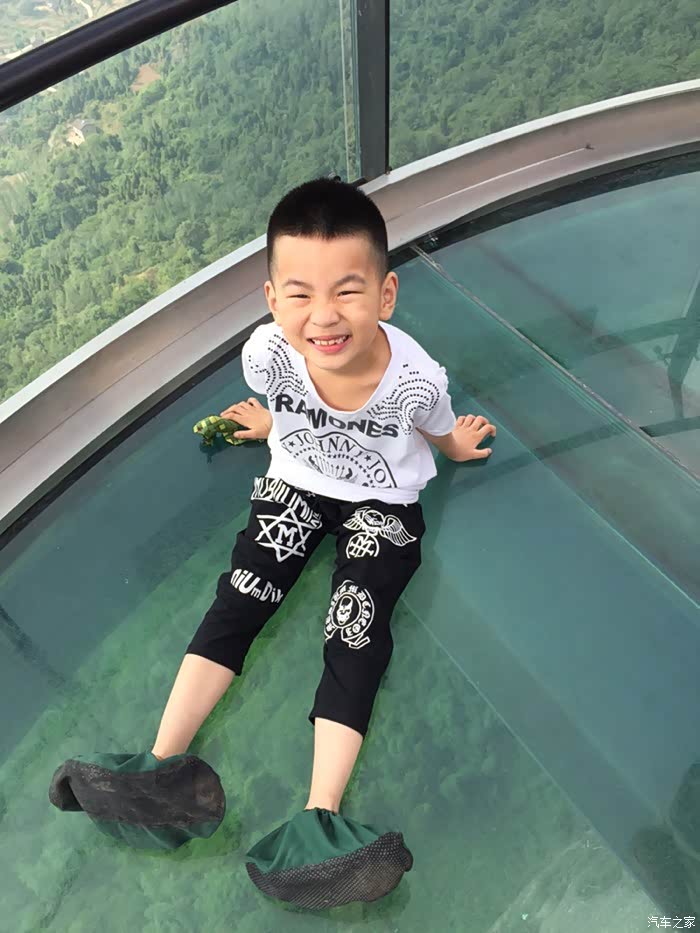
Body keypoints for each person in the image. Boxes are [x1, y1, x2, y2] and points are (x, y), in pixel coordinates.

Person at [49, 176, 496, 910]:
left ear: (386, 295)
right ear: (272, 299)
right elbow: (287, 403)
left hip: (382, 503)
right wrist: (270, 426)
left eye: (347, 291)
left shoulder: (415, 380)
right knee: (241, 598)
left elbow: (436, 428)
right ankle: (161, 765)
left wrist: (457, 445)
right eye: (300, 294)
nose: (324, 315)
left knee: (353, 629)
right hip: (296, 482)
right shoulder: (267, 355)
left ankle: (321, 819)